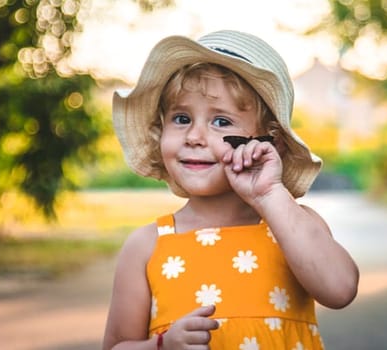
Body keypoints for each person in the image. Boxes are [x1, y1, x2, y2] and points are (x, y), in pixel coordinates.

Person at [100, 30, 359, 350]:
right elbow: (116, 346)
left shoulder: (293, 225)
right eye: (181, 118)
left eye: (221, 122)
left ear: (270, 142)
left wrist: (269, 194)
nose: (194, 136)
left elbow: (341, 289)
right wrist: (161, 346)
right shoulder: (146, 246)